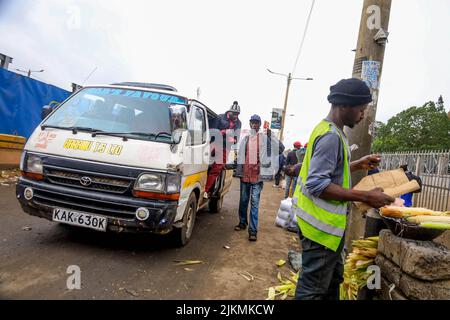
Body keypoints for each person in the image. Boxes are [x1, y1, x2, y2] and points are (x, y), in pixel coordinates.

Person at [292, 78, 395, 300]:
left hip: (328, 231)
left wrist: (358, 164)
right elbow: (317, 184)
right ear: (344, 105)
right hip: (320, 231)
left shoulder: (333, 131)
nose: (363, 115)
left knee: (332, 282)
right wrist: (367, 195)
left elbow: (330, 169)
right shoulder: (330, 136)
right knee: (313, 290)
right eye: (361, 109)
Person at [234, 114, 285, 241]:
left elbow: (280, 148)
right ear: (250, 124)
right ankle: (242, 222)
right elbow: (240, 155)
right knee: (243, 201)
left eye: (257, 123)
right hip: (245, 176)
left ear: (260, 125)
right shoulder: (245, 139)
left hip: (258, 177)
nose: (254, 125)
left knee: (255, 203)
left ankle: (253, 230)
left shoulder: (265, 139)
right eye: (252, 122)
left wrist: (271, 135)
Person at [204, 101, 242, 198]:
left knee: (216, 169)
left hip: (225, 148)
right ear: (229, 112)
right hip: (213, 143)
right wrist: (225, 132)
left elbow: (235, 139)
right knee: (203, 165)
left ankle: (205, 190)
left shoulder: (238, 123)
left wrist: (226, 135)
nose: (236, 116)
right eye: (234, 113)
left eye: (237, 114)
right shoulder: (220, 117)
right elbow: (213, 132)